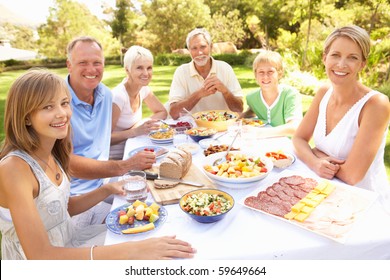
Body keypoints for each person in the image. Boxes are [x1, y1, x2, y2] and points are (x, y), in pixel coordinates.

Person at [0, 69, 196, 260]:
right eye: (47, 107)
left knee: (157, 232)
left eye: (64, 103)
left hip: (68, 242)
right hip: (46, 262)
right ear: (26, 117)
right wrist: (132, 251)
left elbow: (59, 209)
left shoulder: (52, 151)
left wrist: (107, 189)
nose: (62, 114)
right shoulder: (13, 169)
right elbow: (40, 256)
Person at [292, 25, 390, 212]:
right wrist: (315, 162)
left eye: (352, 58)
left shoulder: (376, 104)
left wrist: (315, 151)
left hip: (366, 207)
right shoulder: (323, 93)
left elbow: (353, 176)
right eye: (335, 55)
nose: (341, 64)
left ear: (362, 64)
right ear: (324, 58)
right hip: (327, 198)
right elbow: (298, 139)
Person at [66, 36, 157, 228]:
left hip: (105, 183)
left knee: (154, 195)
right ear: (69, 65)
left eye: (97, 63)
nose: (91, 69)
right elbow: (67, 163)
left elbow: (100, 144)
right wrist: (125, 165)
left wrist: (118, 176)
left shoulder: (105, 95)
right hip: (74, 197)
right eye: (83, 62)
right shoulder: (58, 99)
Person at [168, 28, 244, 119]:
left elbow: (239, 109)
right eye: (194, 48)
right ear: (189, 50)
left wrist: (225, 91)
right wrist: (199, 94)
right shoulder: (181, 72)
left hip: (223, 127)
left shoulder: (225, 68)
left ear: (210, 47)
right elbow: (174, 113)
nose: (199, 52)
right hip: (194, 129)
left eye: (203, 47)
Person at [110, 46, 167, 160]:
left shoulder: (143, 88)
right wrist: (135, 131)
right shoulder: (118, 96)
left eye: (149, 68)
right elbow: (105, 138)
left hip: (137, 149)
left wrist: (144, 123)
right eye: (139, 68)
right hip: (117, 159)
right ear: (127, 70)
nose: (146, 73)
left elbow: (162, 112)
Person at [240, 50, 302, 137]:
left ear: (280, 73)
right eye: (261, 72)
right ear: (255, 75)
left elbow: (295, 127)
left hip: (288, 145)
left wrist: (258, 132)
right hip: (264, 144)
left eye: (270, 72)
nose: (265, 76)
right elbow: (251, 110)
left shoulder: (290, 95)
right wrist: (235, 121)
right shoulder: (252, 98)